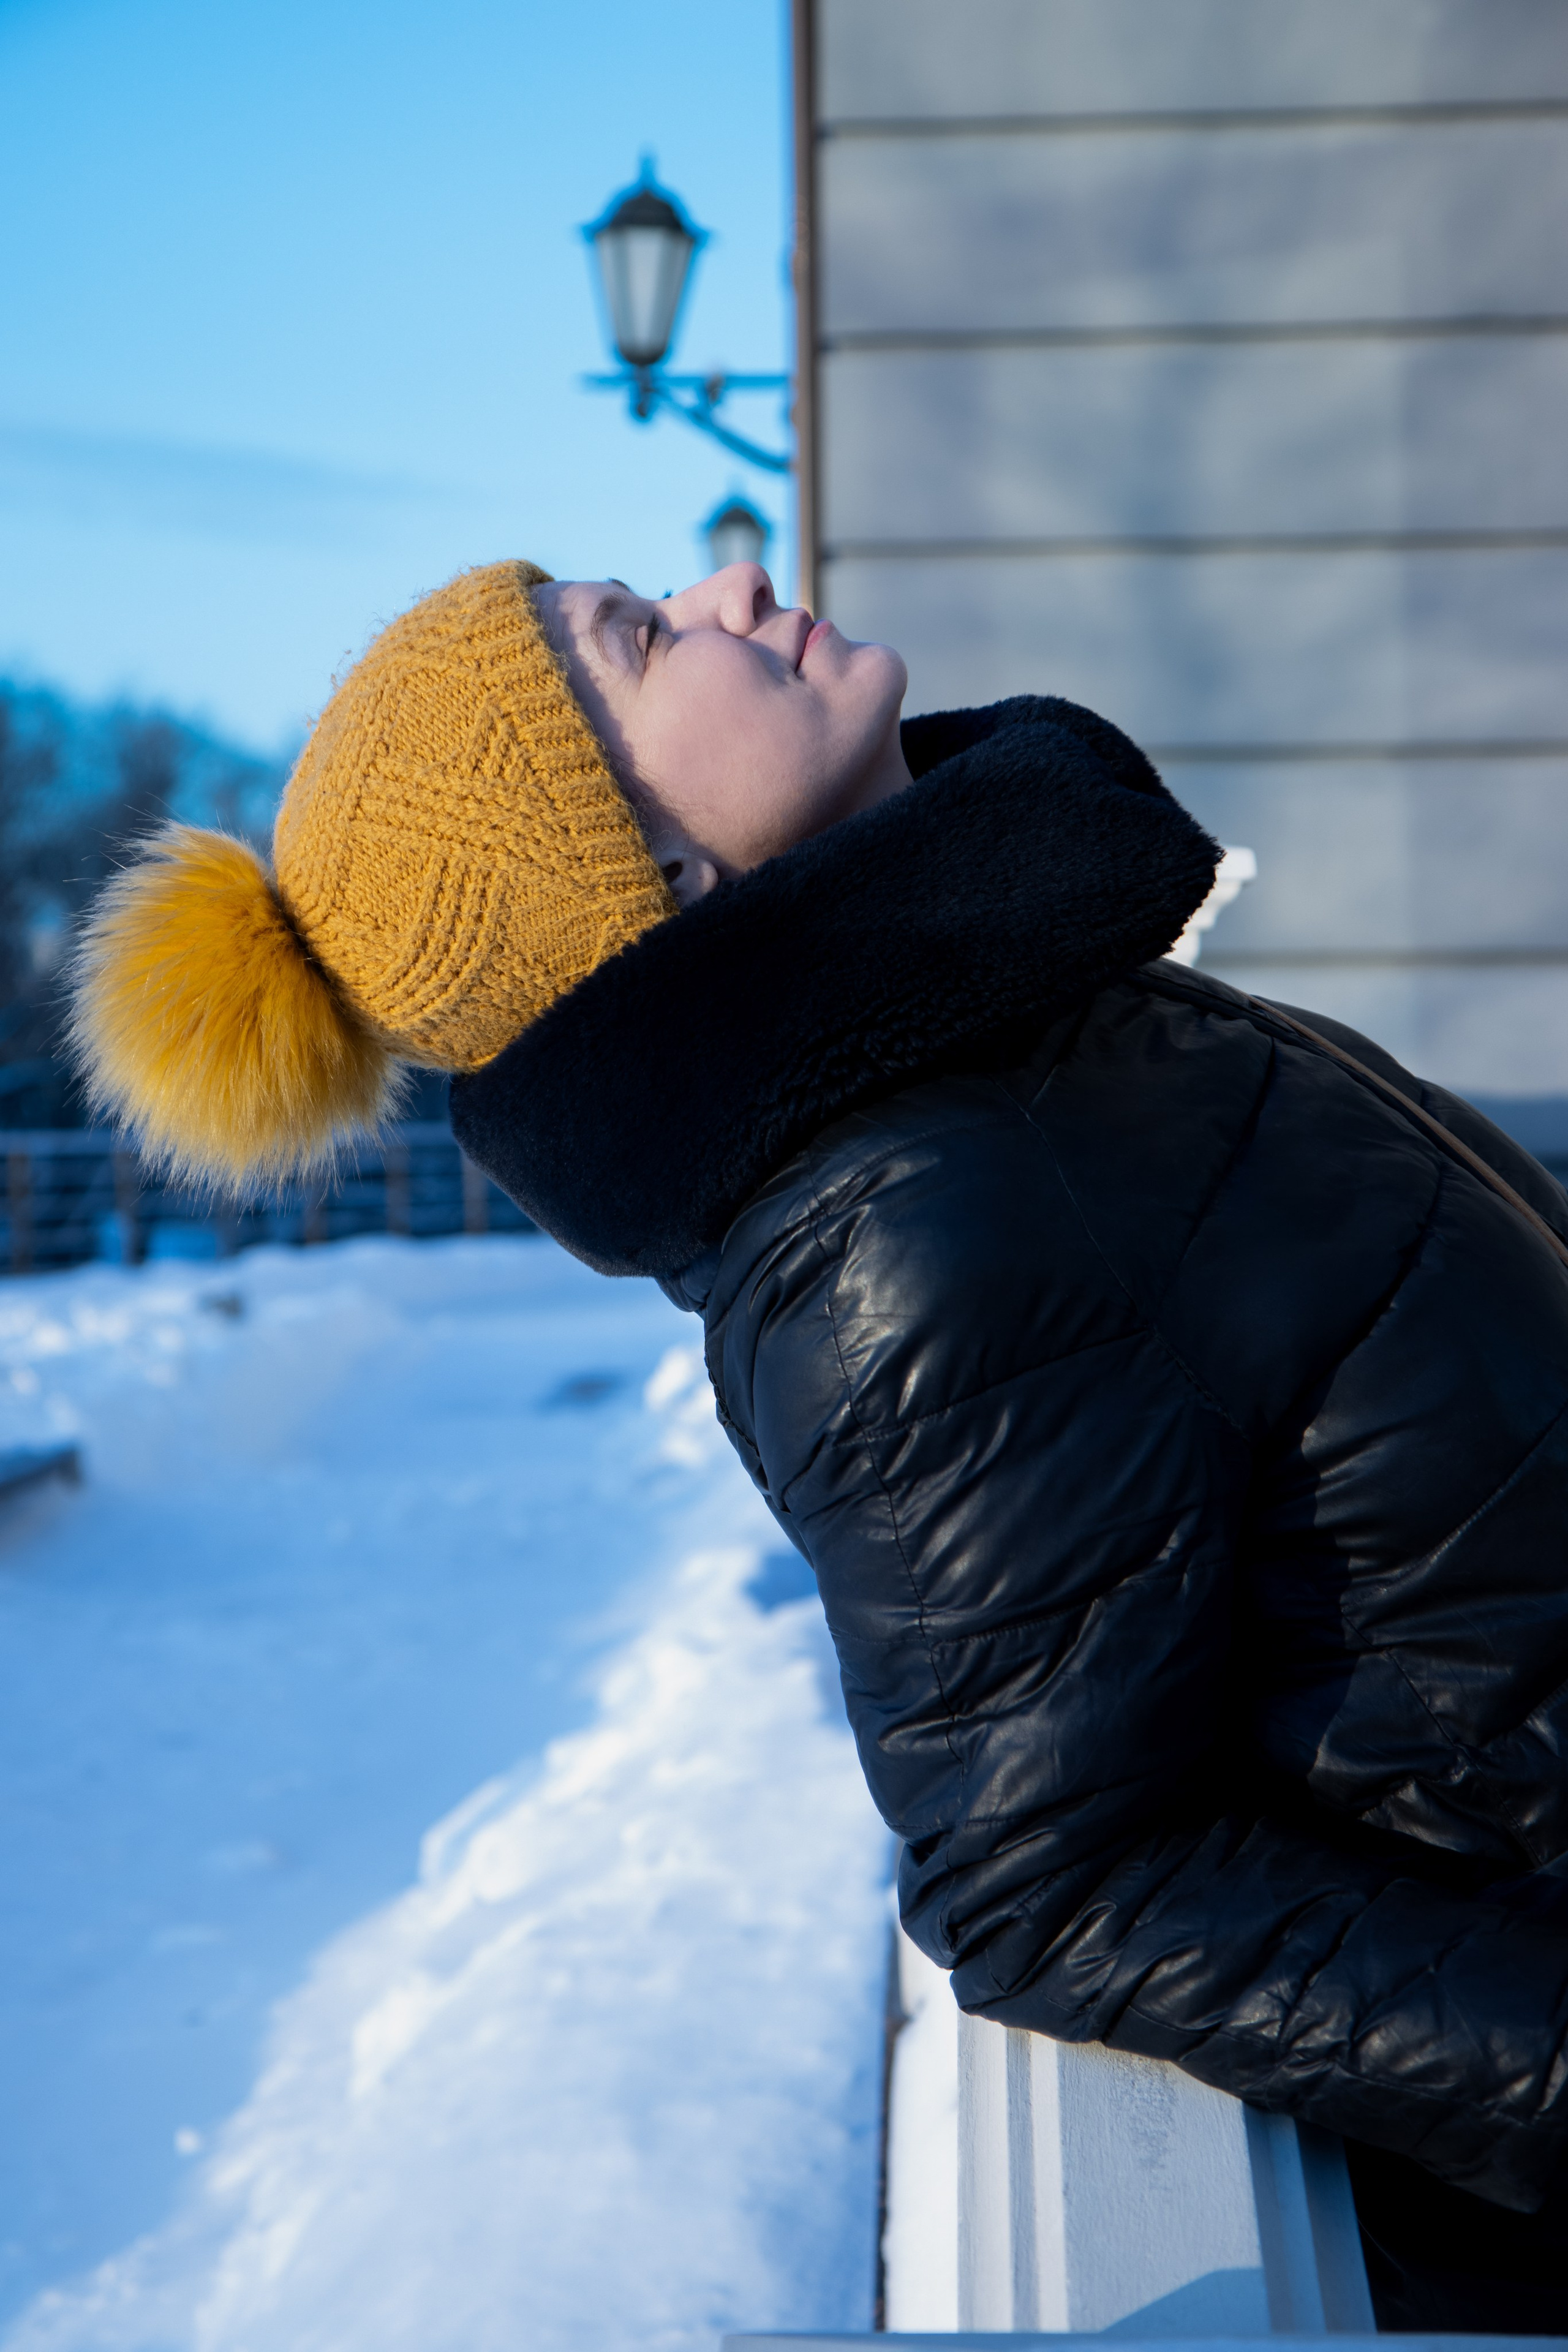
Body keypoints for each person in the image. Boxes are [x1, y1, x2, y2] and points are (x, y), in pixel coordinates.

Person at [70, 559, 1568, 2331]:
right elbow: (1057, 1878)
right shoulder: (903, 1217)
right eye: (643, 639)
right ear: (654, 882)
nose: (734, 582)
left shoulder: (1005, 1034)